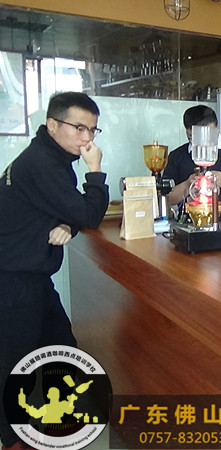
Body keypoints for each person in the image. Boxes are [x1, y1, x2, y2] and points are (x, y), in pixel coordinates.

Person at [0, 92, 109, 449]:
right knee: (16, 363)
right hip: (12, 280)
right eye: (79, 128)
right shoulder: (42, 164)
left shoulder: (50, 158)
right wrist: (96, 171)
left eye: (92, 130)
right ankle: (15, 440)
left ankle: (52, 426)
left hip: (30, 276)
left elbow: (68, 209)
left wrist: (67, 223)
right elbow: (89, 214)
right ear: (52, 125)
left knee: (60, 348)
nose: (87, 139)